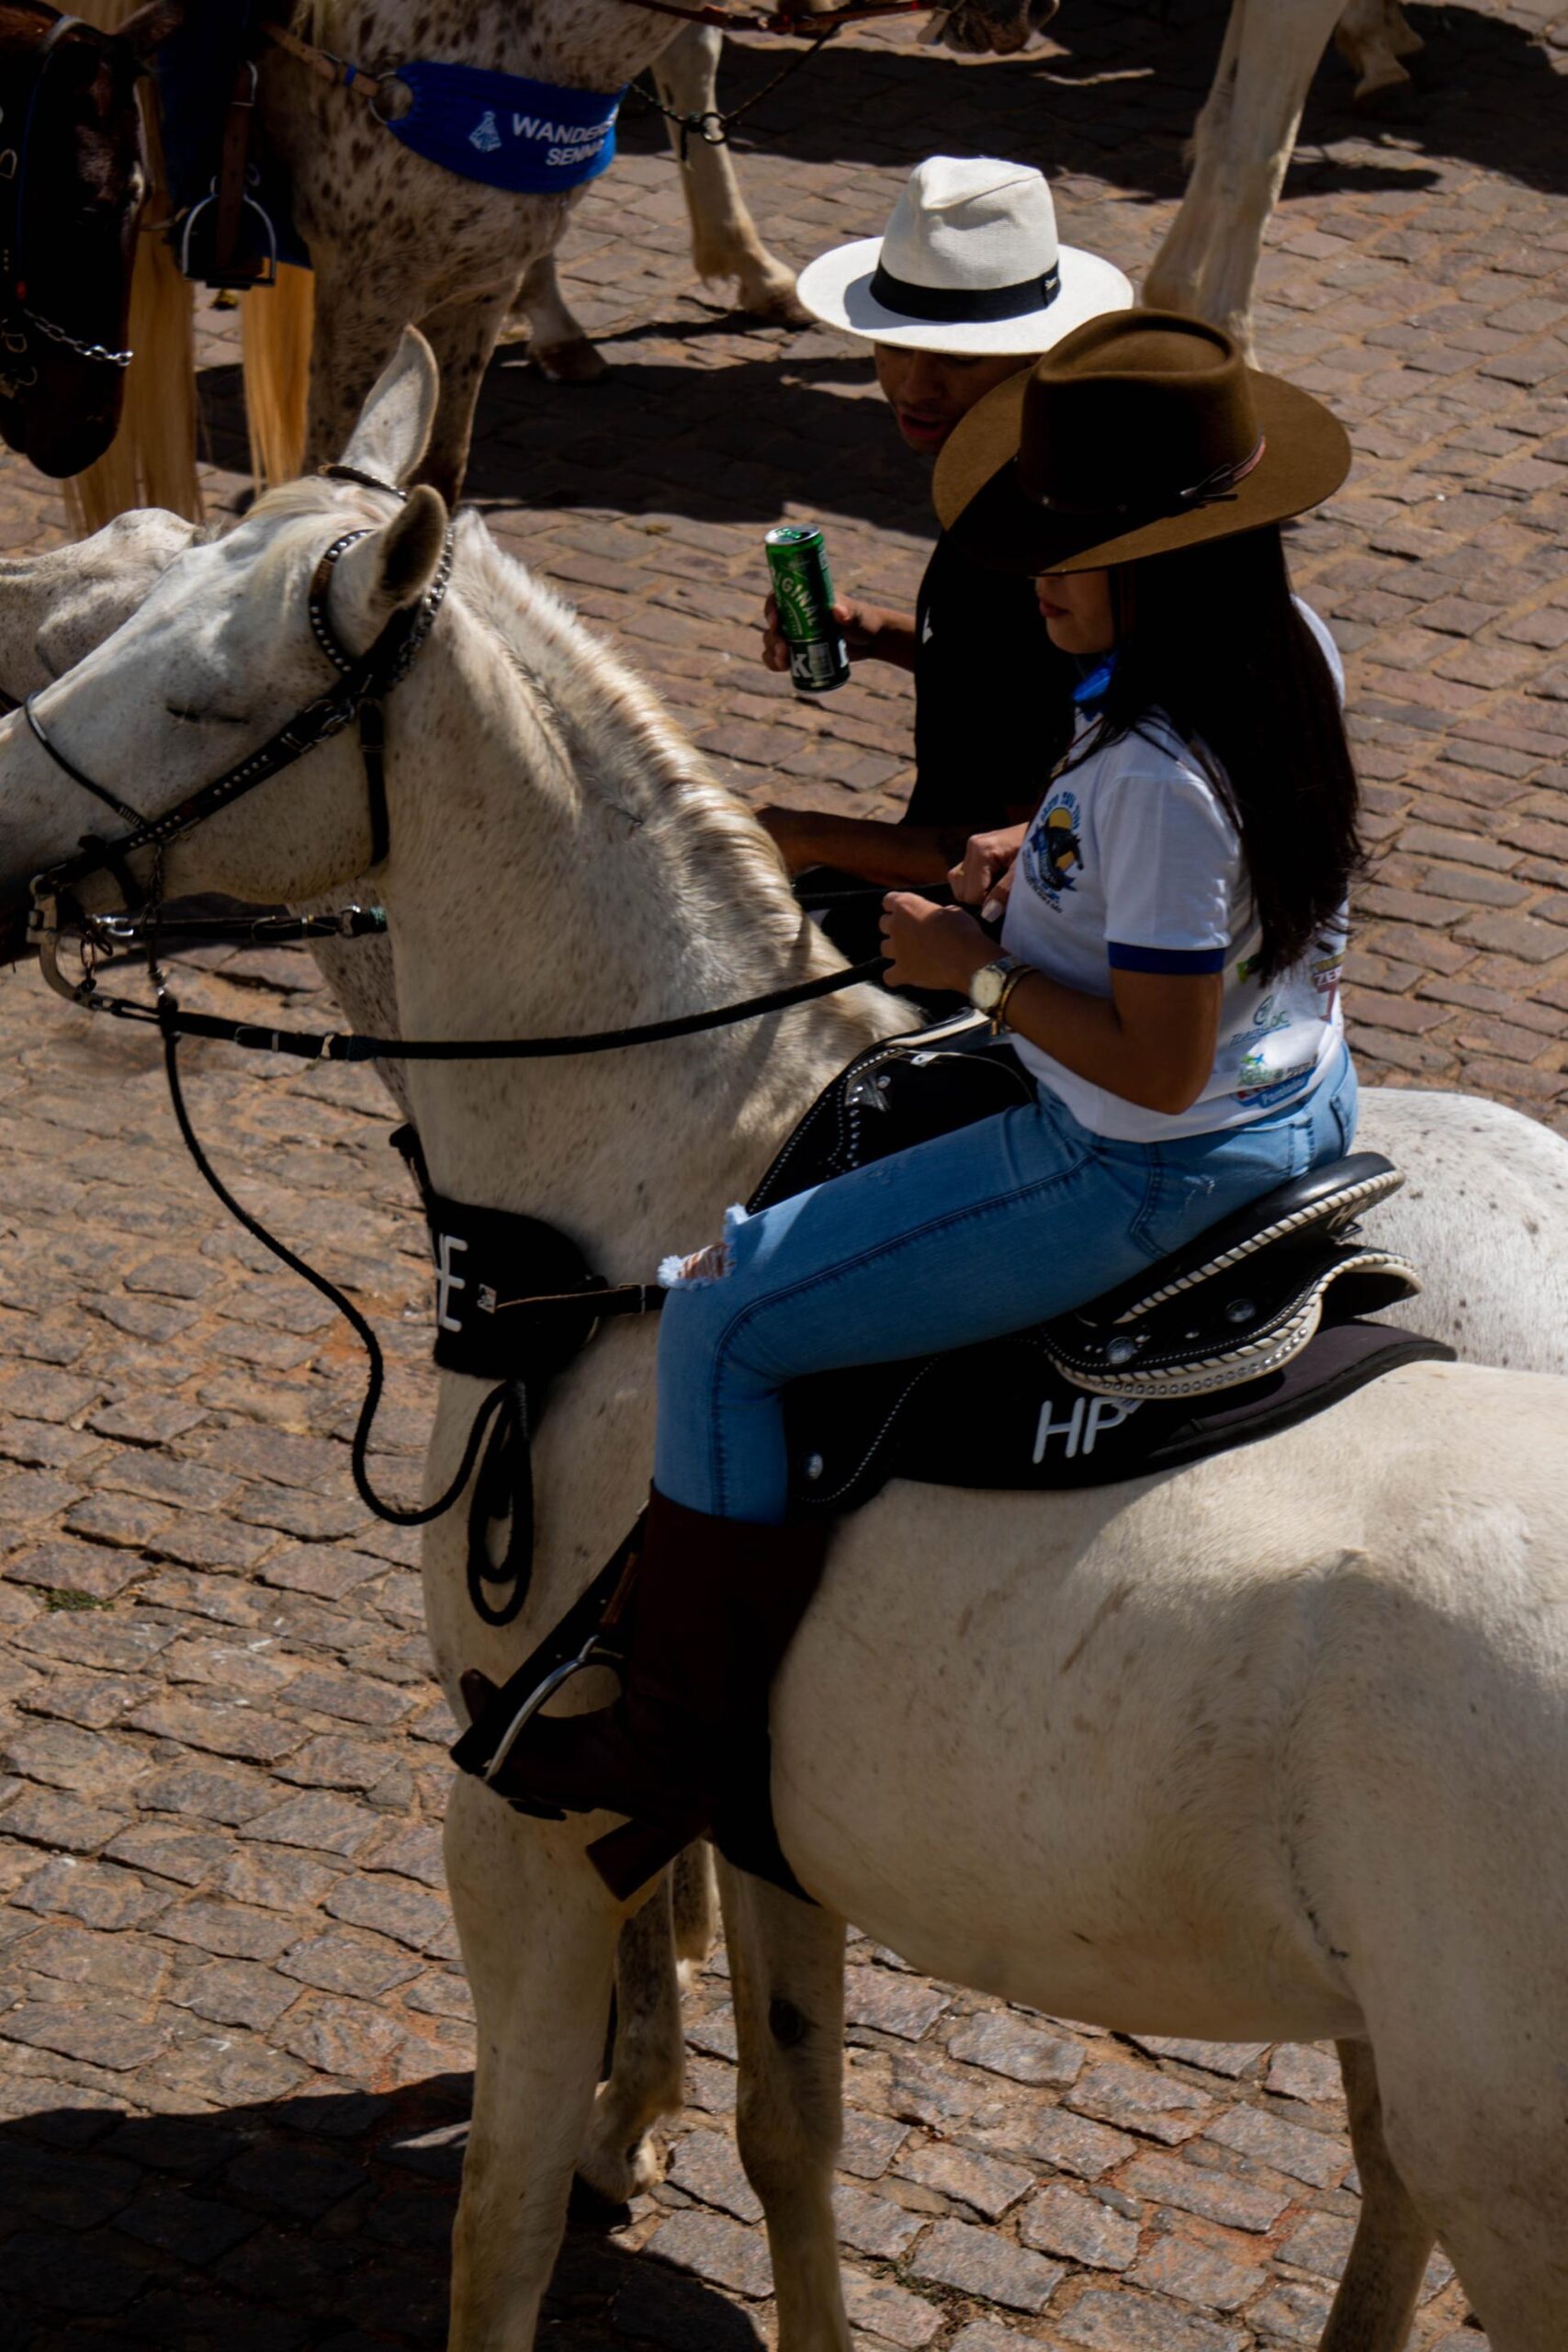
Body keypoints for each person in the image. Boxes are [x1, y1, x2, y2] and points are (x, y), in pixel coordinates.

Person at [468, 314, 1363, 1897]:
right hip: (1306, 1090)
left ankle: (667, 1741)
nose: (1031, 578)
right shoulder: (1276, 650)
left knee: (722, 1320)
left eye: (1067, 551)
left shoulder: (1152, 773)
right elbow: (1192, 887)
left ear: (1160, 559)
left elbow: (1153, 1062)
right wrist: (1037, 855)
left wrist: (977, 970)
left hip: (1144, 1156)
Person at [756, 155, 1133, 942]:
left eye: (957, 360)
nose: (912, 387)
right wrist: (877, 633)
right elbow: (1002, 675)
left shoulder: (1042, 541)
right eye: (894, 347)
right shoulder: (996, 475)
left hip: (990, 940)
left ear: (1036, 355)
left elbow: (1023, 846)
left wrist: (791, 833)